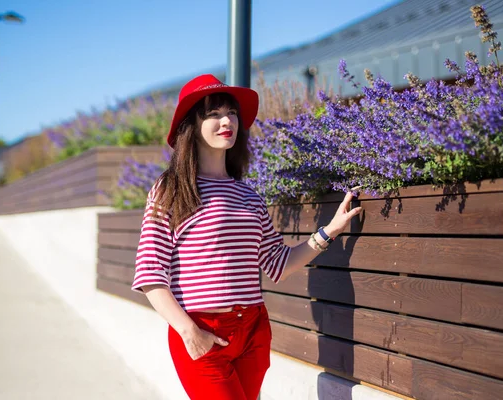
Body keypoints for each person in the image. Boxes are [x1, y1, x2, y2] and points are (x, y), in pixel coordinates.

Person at [131, 74, 362, 400]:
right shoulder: (171, 189)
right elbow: (150, 274)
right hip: (201, 329)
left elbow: (278, 263)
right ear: (191, 125)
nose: (227, 121)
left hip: (253, 329)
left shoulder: (248, 195)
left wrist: (330, 231)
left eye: (232, 113)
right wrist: (189, 332)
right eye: (213, 114)